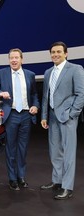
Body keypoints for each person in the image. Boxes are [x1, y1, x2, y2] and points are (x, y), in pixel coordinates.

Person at [0, 48, 39, 191]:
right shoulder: (2, 73)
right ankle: (12, 178)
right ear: (9, 60)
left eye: (17, 57)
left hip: (26, 115)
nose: (14, 60)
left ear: (22, 59)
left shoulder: (30, 75)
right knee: (11, 148)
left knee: (23, 149)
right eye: (11, 58)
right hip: (11, 116)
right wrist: (0, 93)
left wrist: (35, 105)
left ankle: (21, 177)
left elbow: (34, 94)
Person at [40, 41, 84, 200]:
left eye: (59, 52)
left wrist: (73, 114)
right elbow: (45, 96)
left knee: (68, 153)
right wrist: (44, 116)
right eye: (53, 52)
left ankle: (67, 187)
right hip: (52, 117)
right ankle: (57, 181)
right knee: (55, 151)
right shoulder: (48, 72)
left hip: (67, 118)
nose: (55, 54)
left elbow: (81, 94)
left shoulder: (75, 69)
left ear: (66, 53)